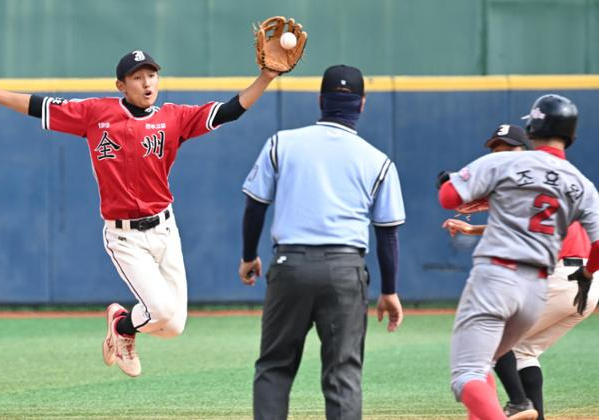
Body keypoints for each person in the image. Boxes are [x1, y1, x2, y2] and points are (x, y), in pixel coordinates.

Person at [0, 49, 283, 378]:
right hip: (124, 236)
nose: (147, 83)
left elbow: (230, 111)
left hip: (165, 229)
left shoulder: (174, 117)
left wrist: (266, 77)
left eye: (152, 75)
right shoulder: (94, 113)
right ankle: (124, 327)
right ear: (121, 85)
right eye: (137, 77)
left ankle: (122, 324)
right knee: (158, 310)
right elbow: (40, 106)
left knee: (173, 326)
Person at [238, 64, 406, 420]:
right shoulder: (379, 161)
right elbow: (387, 232)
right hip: (345, 271)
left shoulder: (282, 143)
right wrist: (389, 290)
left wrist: (249, 255)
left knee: (275, 367)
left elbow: (255, 206)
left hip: (289, 267)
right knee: (342, 374)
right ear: (362, 104)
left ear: (320, 101)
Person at [437, 94, 599, 420]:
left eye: (507, 146)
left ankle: (518, 405)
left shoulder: (503, 166)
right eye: (495, 147)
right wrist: (588, 274)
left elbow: (448, 195)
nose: (499, 152)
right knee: (522, 351)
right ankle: (528, 408)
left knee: (472, 367)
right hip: (558, 284)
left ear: (530, 133)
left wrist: (475, 185)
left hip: (518, 276)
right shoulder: (578, 183)